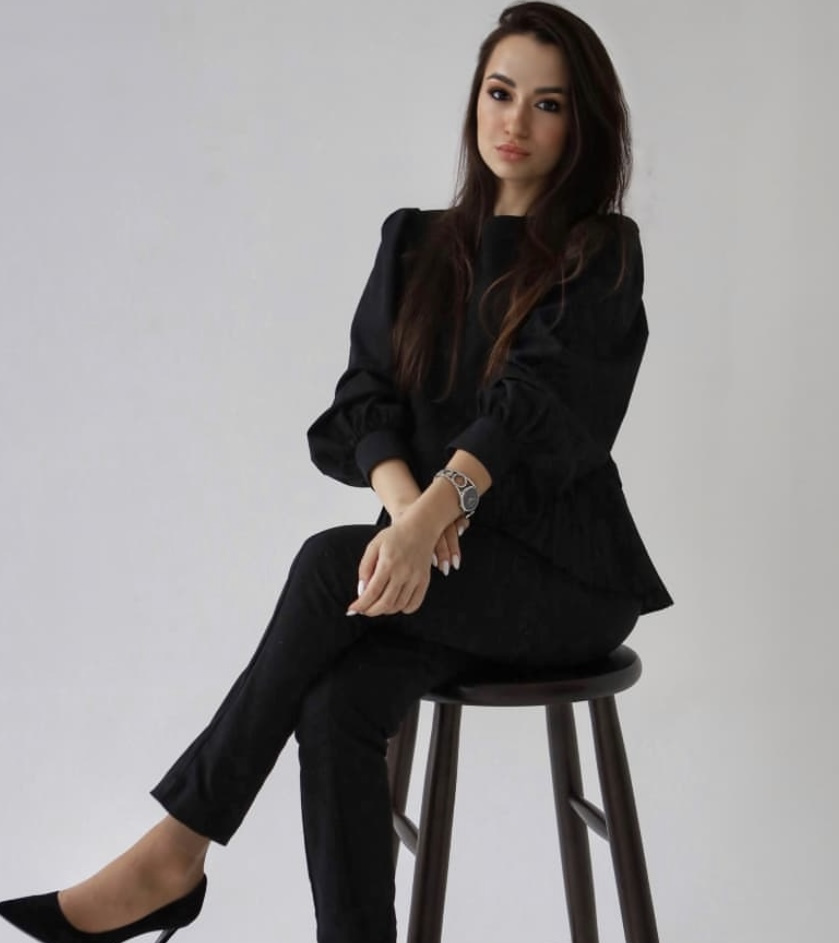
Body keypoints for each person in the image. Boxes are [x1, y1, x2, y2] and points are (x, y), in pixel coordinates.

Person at [0, 3, 672, 942]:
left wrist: (435, 510)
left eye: (547, 103)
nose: (514, 121)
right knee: (335, 702)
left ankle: (175, 850)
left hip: (564, 580)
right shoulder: (415, 242)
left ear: (580, 125)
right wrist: (408, 513)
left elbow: (535, 404)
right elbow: (365, 399)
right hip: (444, 571)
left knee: (327, 563)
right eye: (499, 92)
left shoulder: (598, 252)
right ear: (475, 100)